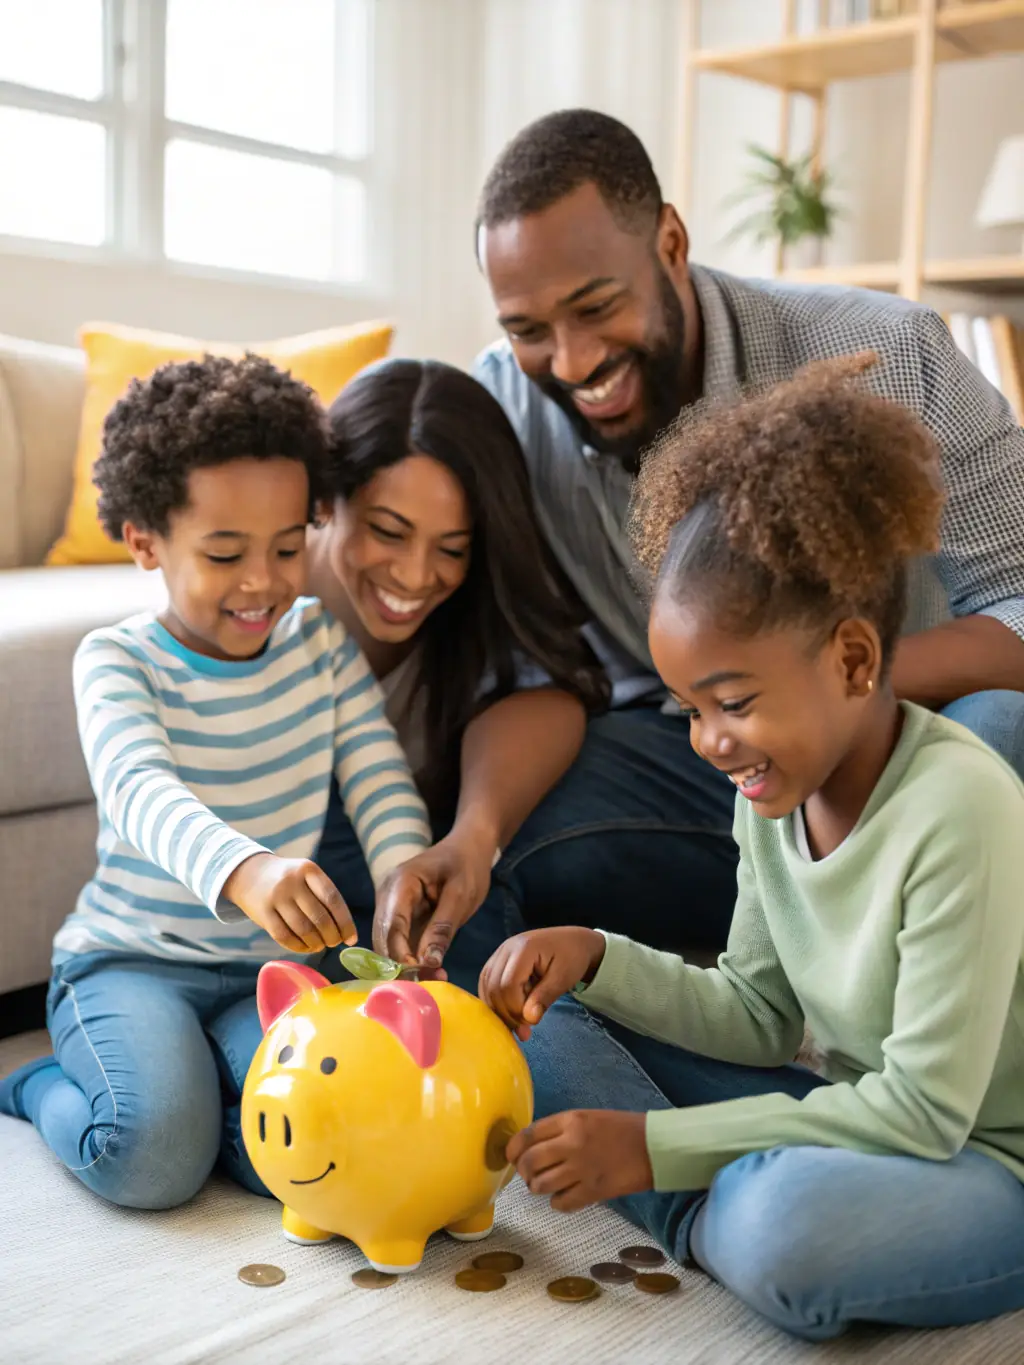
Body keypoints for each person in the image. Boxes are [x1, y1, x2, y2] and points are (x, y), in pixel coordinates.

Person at [480, 357, 1024, 1341]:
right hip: (849, 1109)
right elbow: (762, 1015)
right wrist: (595, 957)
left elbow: (924, 1116)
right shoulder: (772, 795)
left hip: (983, 1162)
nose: (707, 742)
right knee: (542, 1027)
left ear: (854, 660)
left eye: (731, 703)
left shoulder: (962, 805)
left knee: (785, 1234)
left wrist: (651, 1147)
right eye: (690, 710)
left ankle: (702, 1209)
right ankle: (706, 1207)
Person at [464, 107, 1024, 962]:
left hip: (905, 740)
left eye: (596, 306)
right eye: (529, 329)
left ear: (672, 244)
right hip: (699, 761)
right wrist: (471, 833)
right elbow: (532, 670)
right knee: (508, 832)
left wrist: (824, 692)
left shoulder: (887, 352)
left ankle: (897, 1028)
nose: (571, 362)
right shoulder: (503, 409)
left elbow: (1019, 600)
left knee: (1001, 731)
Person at [0, 355, 432, 1209]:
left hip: (264, 969)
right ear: (145, 542)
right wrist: (246, 870)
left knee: (335, 1137)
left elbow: (380, 779)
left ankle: (203, 1095)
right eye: (226, 551)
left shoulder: (318, 645)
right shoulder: (118, 660)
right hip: (131, 963)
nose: (264, 581)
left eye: (287, 546)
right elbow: (139, 790)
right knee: (153, 1158)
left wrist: (403, 879)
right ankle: (38, 1083)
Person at [305, 358, 609, 985]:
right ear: (326, 501)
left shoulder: (471, 617)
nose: (417, 577)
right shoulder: (264, 607)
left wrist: (475, 837)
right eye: (389, 532)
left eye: (452, 548)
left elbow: (552, 693)